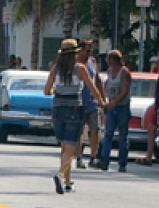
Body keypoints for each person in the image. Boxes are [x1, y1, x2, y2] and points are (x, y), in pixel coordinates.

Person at [44, 38, 106, 193]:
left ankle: (68, 181)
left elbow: (46, 91)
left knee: (65, 146)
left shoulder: (55, 68)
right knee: (71, 146)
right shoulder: (80, 68)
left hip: (58, 108)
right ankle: (60, 174)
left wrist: (55, 90)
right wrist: (101, 102)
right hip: (74, 109)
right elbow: (93, 89)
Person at [96, 49, 132, 172]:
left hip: (122, 107)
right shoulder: (110, 72)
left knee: (123, 135)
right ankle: (104, 160)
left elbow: (125, 90)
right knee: (108, 133)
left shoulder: (124, 72)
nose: (106, 61)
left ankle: (122, 162)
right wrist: (105, 101)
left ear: (113, 59)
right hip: (111, 107)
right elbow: (107, 87)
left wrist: (115, 101)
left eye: (108, 58)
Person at [75, 40, 100, 168]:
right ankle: (79, 158)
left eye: (90, 50)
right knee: (78, 131)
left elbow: (98, 80)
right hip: (79, 101)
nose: (89, 53)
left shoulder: (92, 62)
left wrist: (101, 98)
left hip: (92, 102)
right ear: (80, 50)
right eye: (87, 50)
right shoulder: (75, 64)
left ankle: (93, 157)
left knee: (95, 129)